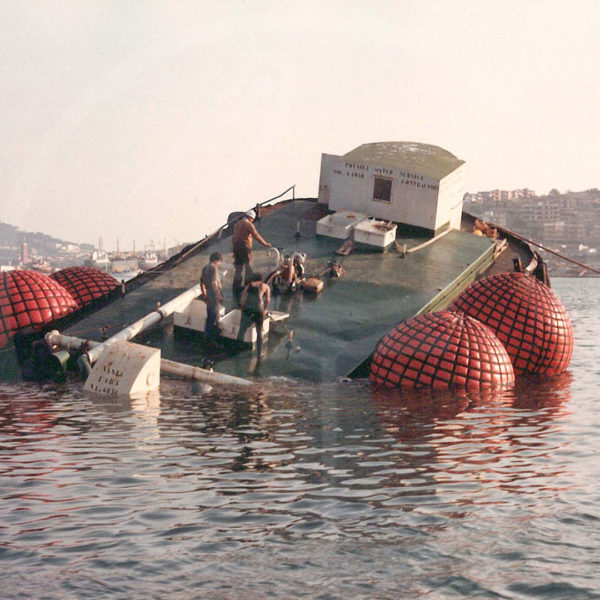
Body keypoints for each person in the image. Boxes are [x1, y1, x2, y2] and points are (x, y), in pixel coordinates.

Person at [232, 209, 271, 305]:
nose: (253, 221)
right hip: (245, 247)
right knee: (248, 267)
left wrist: (234, 250)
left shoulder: (237, 224)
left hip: (236, 247)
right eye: (252, 219)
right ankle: (248, 287)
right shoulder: (248, 224)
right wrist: (265, 244)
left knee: (238, 268)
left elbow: (234, 237)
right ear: (250, 217)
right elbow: (256, 235)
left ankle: (236, 287)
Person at [237, 273, 270, 360]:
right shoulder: (265, 286)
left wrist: (242, 307)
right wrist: (265, 310)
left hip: (248, 308)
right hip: (259, 309)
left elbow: (243, 298)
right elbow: (268, 300)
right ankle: (259, 354)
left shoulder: (249, 285)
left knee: (242, 330)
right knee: (259, 332)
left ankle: (237, 349)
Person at [200, 251, 224, 340]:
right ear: (216, 260)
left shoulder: (204, 268)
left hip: (208, 293)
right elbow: (214, 283)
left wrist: (204, 294)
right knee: (215, 317)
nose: (219, 264)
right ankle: (213, 340)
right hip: (214, 294)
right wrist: (219, 295)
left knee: (209, 316)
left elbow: (201, 283)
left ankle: (207, 338)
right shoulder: (213, 268)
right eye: (219, 261)